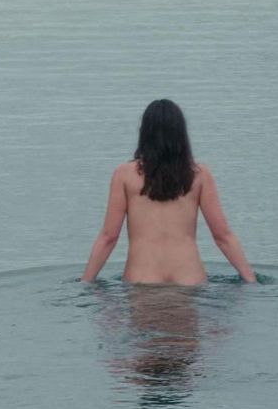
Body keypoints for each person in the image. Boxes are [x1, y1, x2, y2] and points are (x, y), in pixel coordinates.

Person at [79, 99, 258, 285]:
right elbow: (222, 236)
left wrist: (85, 282)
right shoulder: (200, 175)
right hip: (189, 280)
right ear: (181, 134)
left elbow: (109, 237)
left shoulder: (124, 175)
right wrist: (250, 279)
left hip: (142, 281)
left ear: (144, 133)